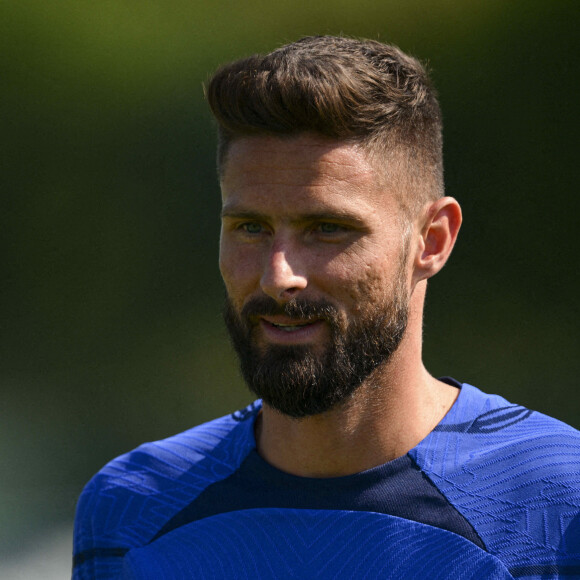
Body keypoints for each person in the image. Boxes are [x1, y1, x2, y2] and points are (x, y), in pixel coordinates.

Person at [72, 36, 580, 579]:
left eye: (328, 229)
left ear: (431, 241)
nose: (278, 275)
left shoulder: (558, 500)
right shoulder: (129, 508)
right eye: (250, 228)